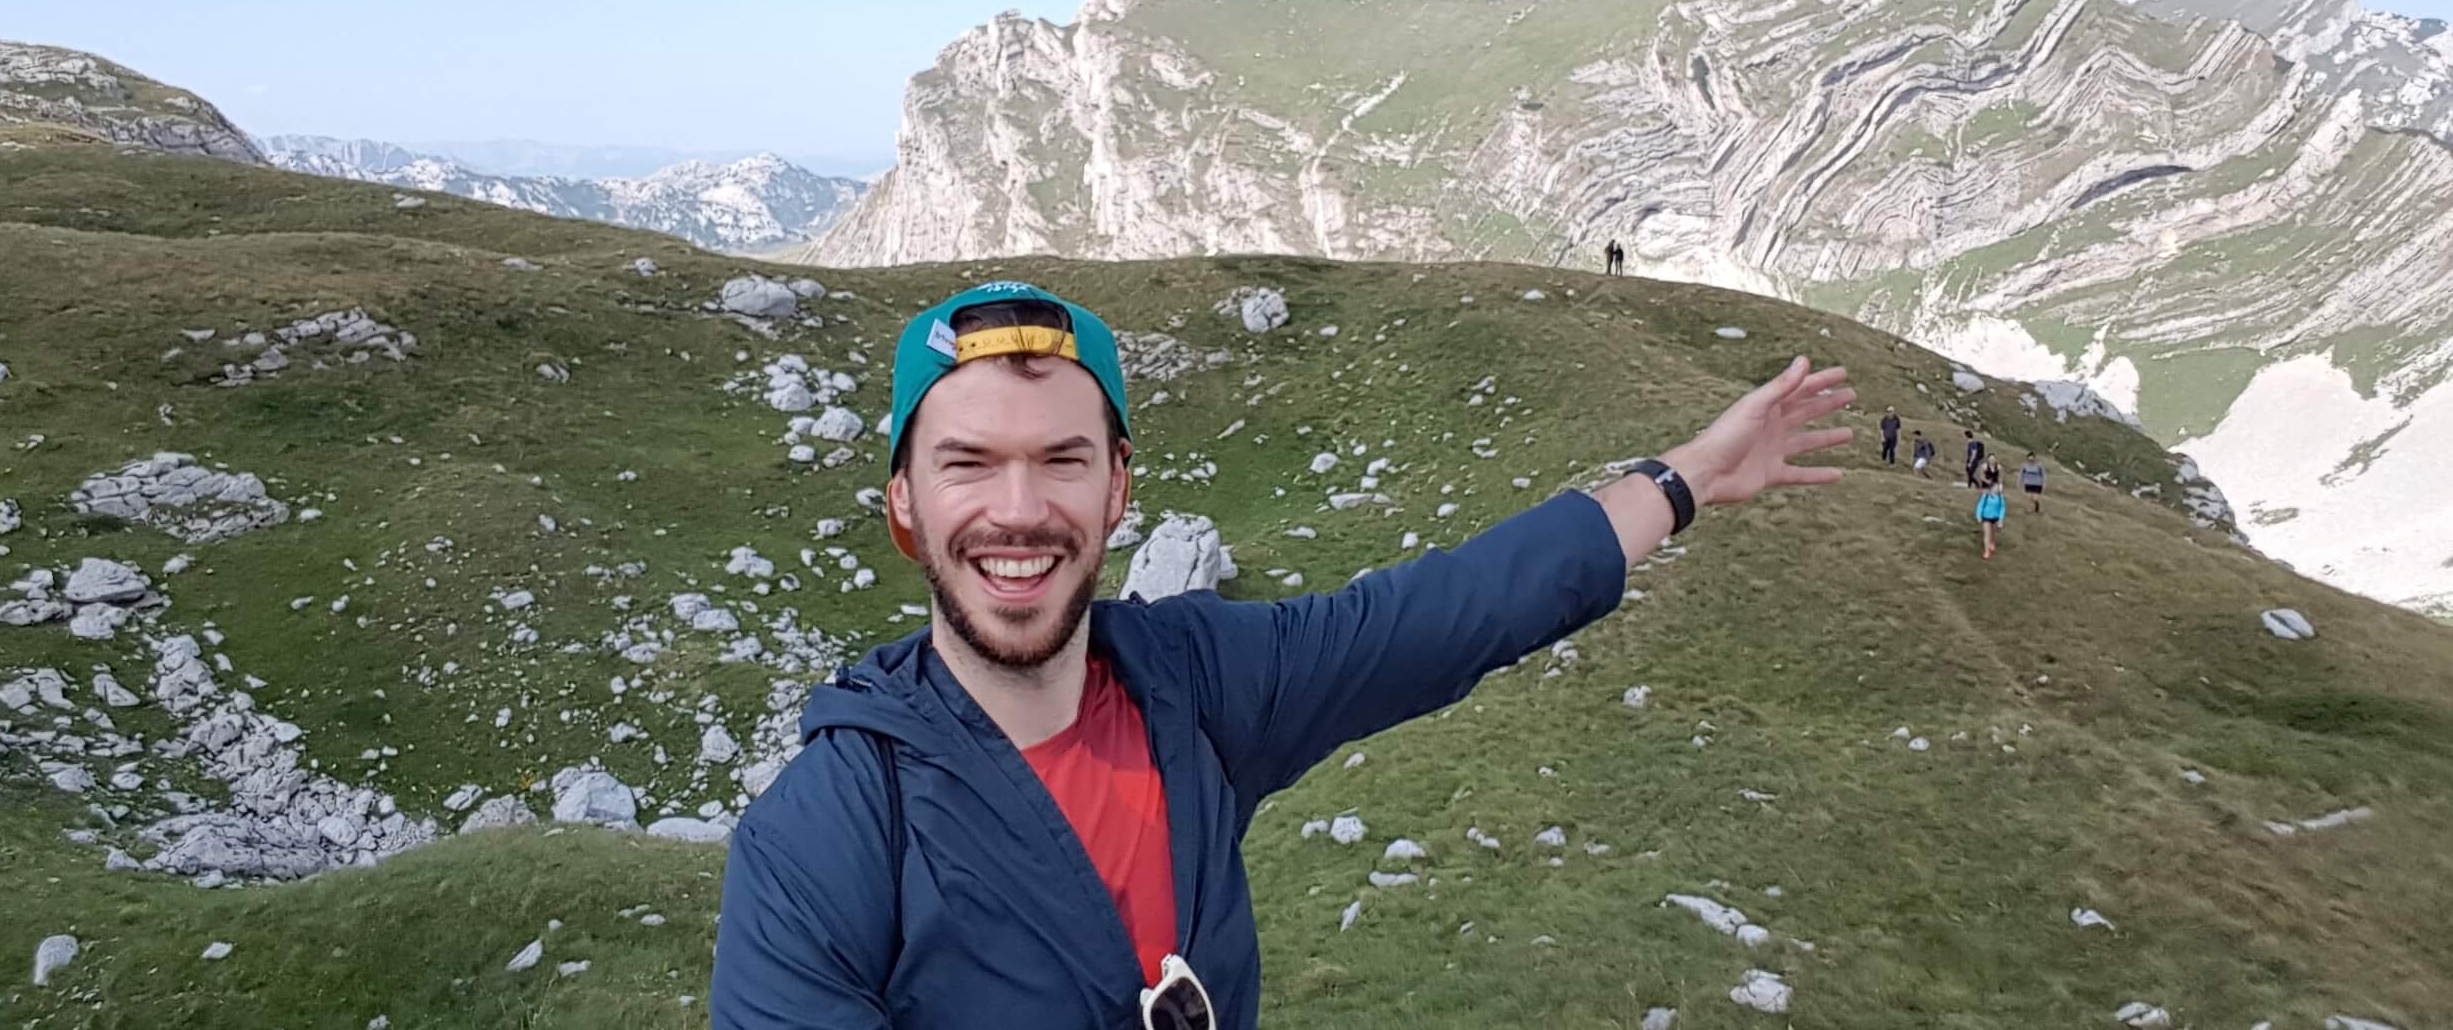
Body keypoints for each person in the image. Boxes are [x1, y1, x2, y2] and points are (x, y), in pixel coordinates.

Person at [708, 281, 1855, 1030]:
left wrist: (1685, 477)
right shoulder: (830, 831)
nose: (1020, 511)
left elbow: (1445, 615)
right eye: (968, 465)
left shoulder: (1194, 685)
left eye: (1063, 461)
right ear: (904, 503)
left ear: (1118, 492)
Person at [1977, 481, 2007, 558]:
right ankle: (1986, 551)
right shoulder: (1985, 496)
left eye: (1998, 488)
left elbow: (2002, 508)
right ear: (1991, 488)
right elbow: (1980, 505)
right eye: (1996, 487)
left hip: (1995, 518)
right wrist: (1978, 516)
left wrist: (2001, 519)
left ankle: (1992, 542)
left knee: (1993, 532)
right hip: (1986, 517)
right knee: (1987, 534)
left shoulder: (2000, 497)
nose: (1997, 489)